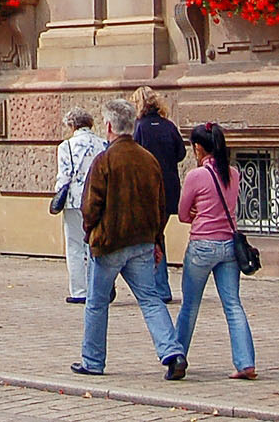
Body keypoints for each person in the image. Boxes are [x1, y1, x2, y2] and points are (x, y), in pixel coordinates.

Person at [73, 98, 188, 380]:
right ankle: (172, 352)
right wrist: (157, 241)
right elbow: (159, 206)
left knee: (97, 303)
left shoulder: (104, 160)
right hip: (142, 242)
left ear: (109, 126)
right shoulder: (148, 160)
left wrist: (91, 234)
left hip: (110, 242)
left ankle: (93, 361)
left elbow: (90, 206)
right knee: (150, 299)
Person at [174, 122, 256, 379]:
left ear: (198, 148)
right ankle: (246, 363)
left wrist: (198, 213)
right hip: (229, 246)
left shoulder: (195, 176)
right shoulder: (234, 173)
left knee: (190, 305)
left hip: (202, 245)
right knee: (233, 304)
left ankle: (177, 357)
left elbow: (183, 213)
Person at [132, 86, 186, 297]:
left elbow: (134, 155)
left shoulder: (140, 128)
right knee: (157, 234)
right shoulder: (169, 126)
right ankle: (160, 286)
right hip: (170, 188)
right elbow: (181, 152)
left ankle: (158, 286)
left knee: (151, 237)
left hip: (148, 189)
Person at [55, 106, 104, 301]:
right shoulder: (104, 144)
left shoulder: (66, 146)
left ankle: (79, 291)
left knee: (75, 245)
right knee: (96, 244)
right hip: (99, 199)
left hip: (74, 200)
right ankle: (99, 288)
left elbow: (64, 176)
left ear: (72, 125)